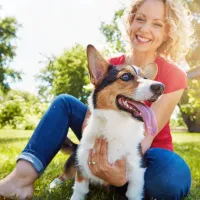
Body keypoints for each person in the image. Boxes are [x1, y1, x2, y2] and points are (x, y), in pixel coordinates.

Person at [0, 0, 194, 199]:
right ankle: (20, 180)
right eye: (140, 19)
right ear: (130, 21)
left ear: (167, 32)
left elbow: (146, 135)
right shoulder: (110, 66)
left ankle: (119, 182)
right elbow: (90, 121)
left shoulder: (174, 74)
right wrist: (93, 154)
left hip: (147, 150)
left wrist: (122, 171)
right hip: (104, 132)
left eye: (157, 24)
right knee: (64, 102)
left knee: (171, 178)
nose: (145, 29)